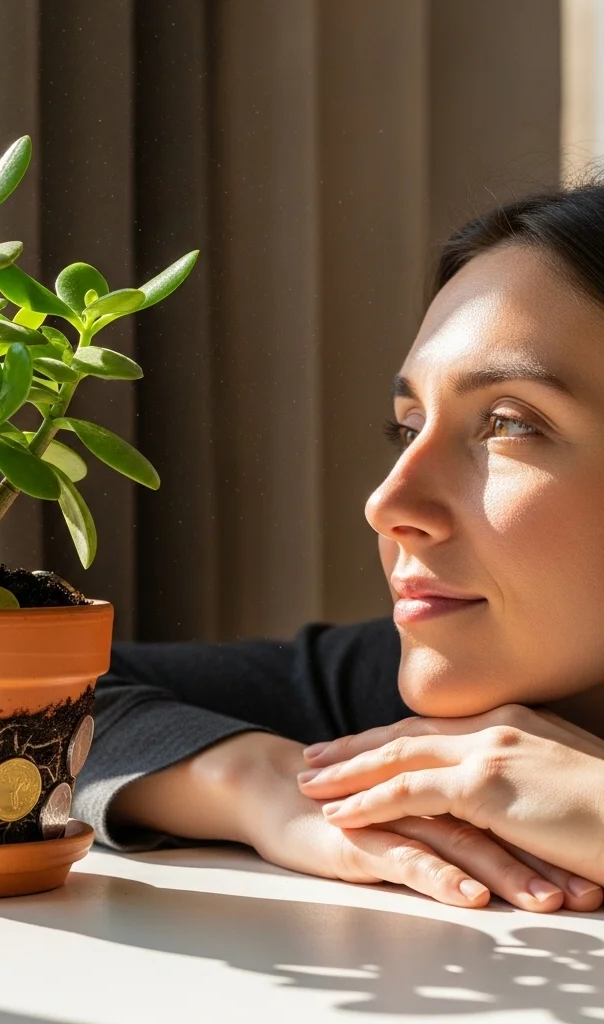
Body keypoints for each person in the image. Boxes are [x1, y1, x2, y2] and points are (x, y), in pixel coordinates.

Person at [71, 184, 604, 915]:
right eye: (409, 425)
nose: (387, 504)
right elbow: (2, 692)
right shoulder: (401, 710)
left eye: (509, 423)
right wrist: (273, 785)